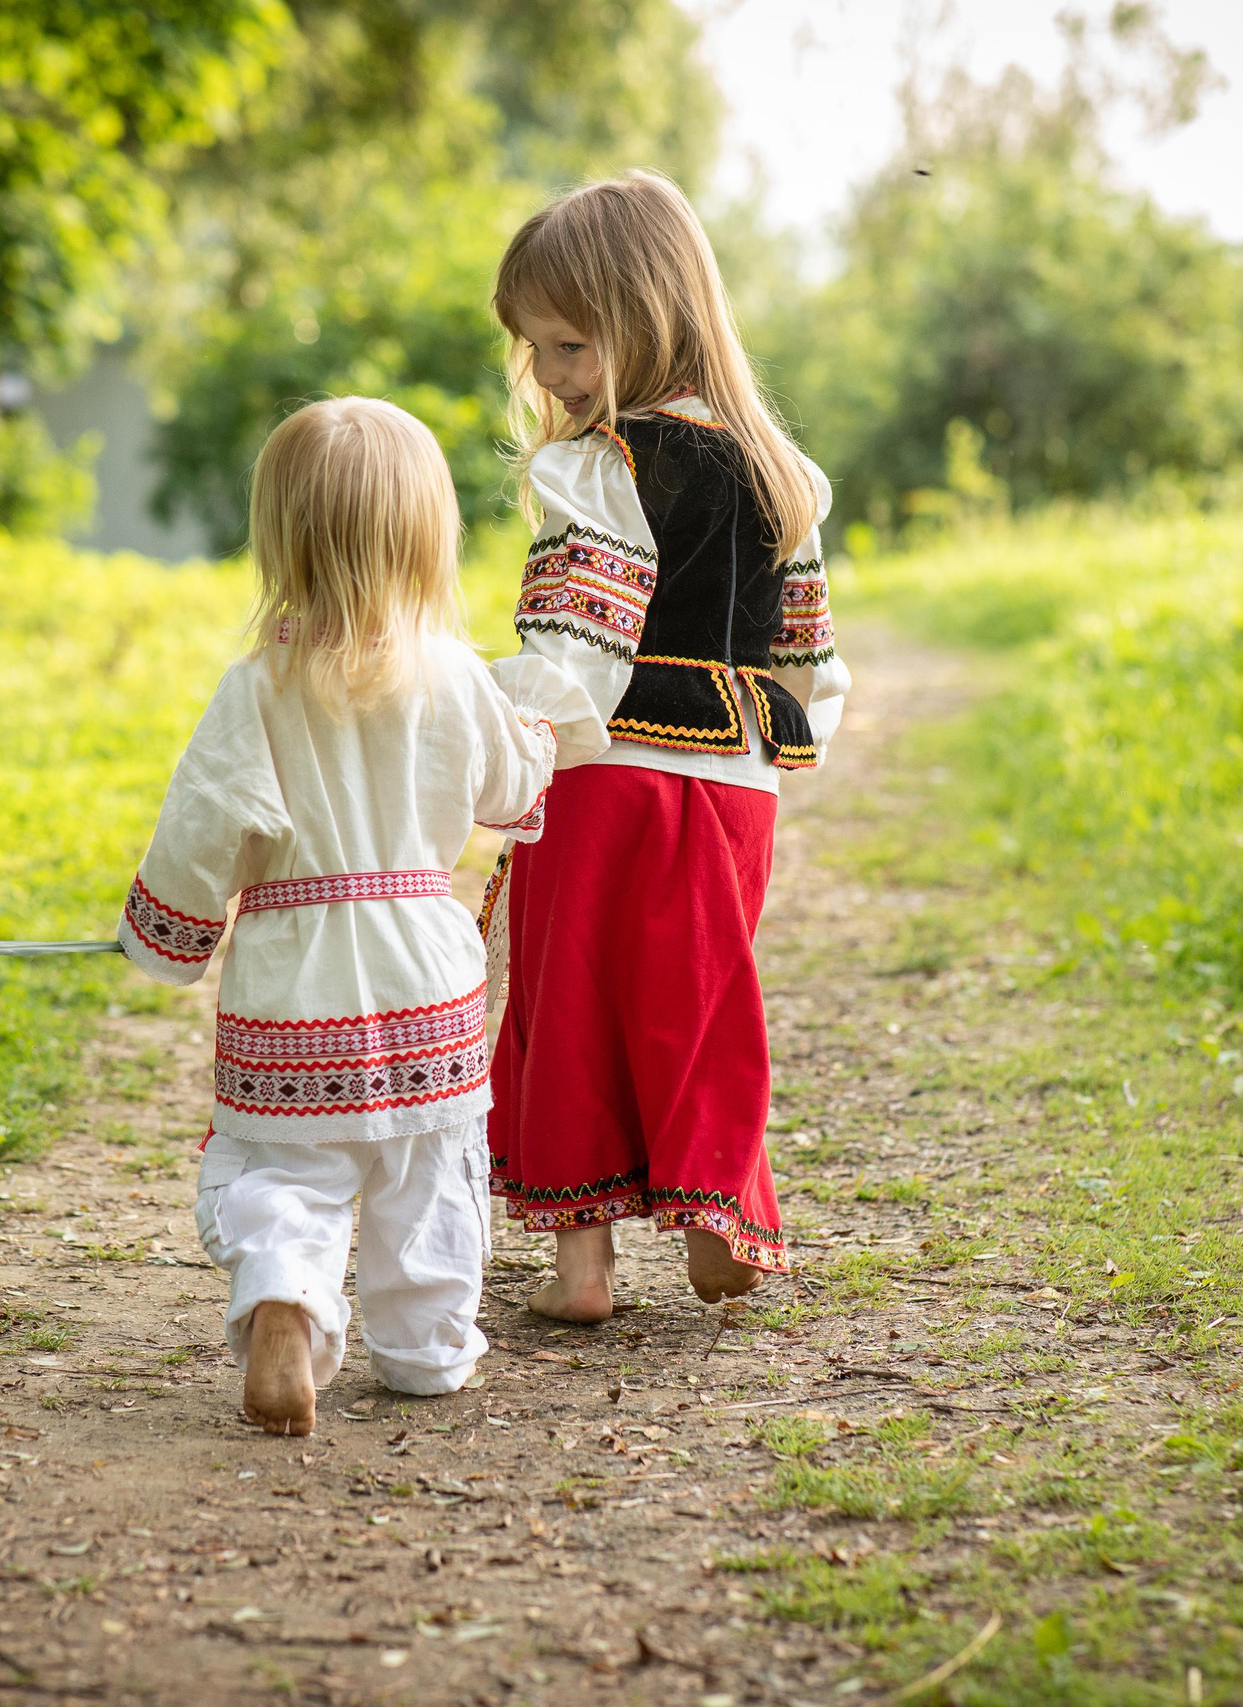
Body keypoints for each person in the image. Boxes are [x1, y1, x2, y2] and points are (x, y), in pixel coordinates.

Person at [117, 397, 594, 1435]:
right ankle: (425, 1352)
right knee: (427, 1170)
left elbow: (203, 827)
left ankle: (285, 1288)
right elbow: (513, 789)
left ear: (279, 535)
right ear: (430, 538)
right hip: (423, 968)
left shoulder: (256, 688)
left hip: (296, 975)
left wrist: (168, 935)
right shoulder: (452, 676)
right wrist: (544, 724)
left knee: (286, 1164)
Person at [482, 169, 850, 1324]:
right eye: (537, 349)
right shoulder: (783, 473)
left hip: (606, 779)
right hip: (738, 784)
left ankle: (581, 1269)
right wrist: (780, 753)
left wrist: (493, 740)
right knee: (702, 999)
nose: (550, 376)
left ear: (650, 318)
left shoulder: (596, 468)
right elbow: (808, 661)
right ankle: (717, 1224)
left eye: (572, 346)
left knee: (573, 1000)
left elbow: (574, 658)